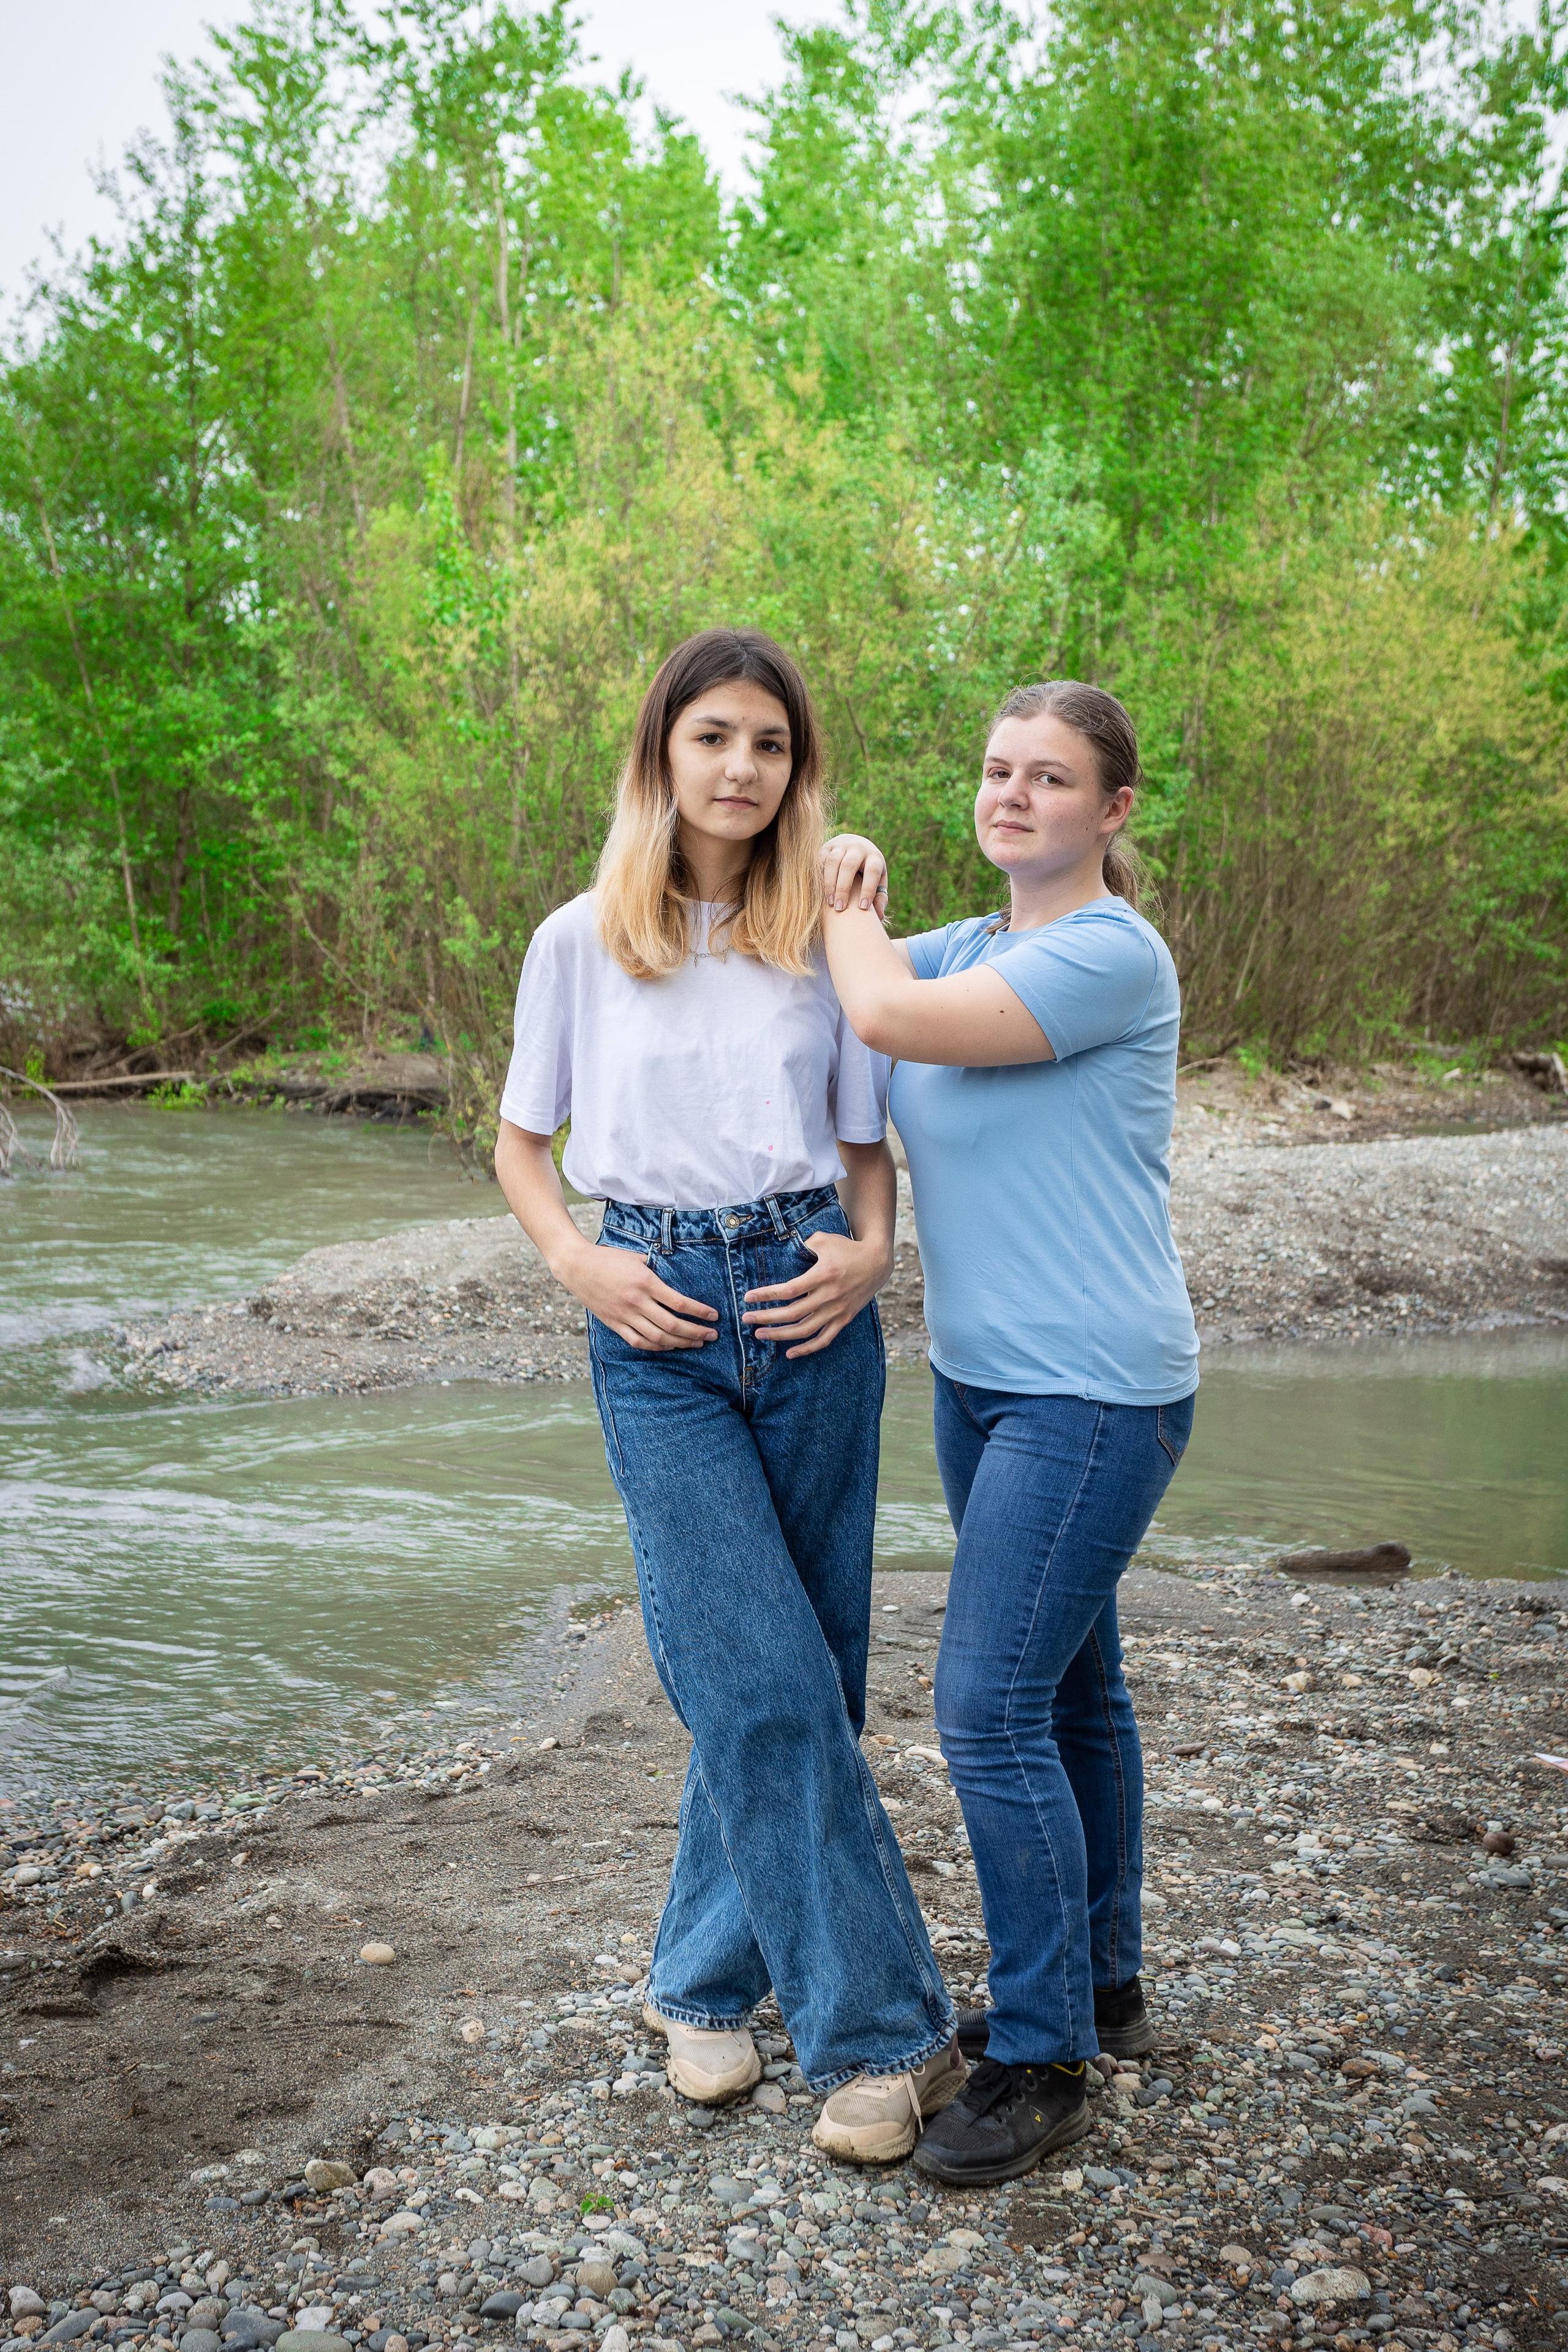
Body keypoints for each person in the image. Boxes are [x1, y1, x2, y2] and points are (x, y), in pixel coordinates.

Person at [492, 627, 965, 2166]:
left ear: (795, 767)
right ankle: (885, 2037)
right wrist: (581, 1263)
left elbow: (866, 1149)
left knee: (805, 1672)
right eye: (713, 737)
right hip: (656, 1321)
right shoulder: (579, 939)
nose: (741, 767)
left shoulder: (824, 935)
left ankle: (698, 1981)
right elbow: (521, 1145)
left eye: (770, 743)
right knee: (753, 1678)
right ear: (660, 753)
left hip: (809, 1304)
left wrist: (871, 1257)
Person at [817, 679, 1199, 2187]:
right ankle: (1102, 1983)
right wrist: (828, 865)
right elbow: (818, 973)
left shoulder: (1110, 952)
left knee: (983, 1712)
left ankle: (1041, 2056)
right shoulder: (973, 943)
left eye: (1048, 777)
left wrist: (848, 896)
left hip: (1092, 1391)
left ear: (1111, 809)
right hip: (981, 1385)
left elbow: (876, 1010)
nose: (1012, 795)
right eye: (994, 771)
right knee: (1073, 1695)